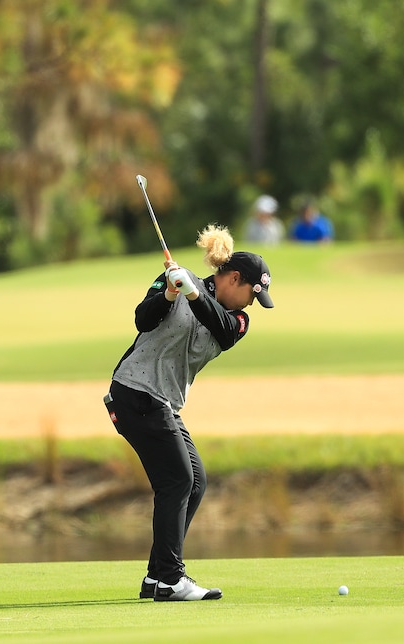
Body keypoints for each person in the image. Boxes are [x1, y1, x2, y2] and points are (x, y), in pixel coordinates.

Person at [104, 224, 274, 602]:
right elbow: (142, 319)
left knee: (194, 481)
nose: (250, 303)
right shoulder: (174, 282)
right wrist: (167, 292)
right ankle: (170, 579)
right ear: (233, 278)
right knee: (178, 480)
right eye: (251, 294)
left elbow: (223, 329)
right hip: (135, 393)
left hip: (163, 403)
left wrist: (194, 293)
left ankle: (156, 576)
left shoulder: (238, 320)